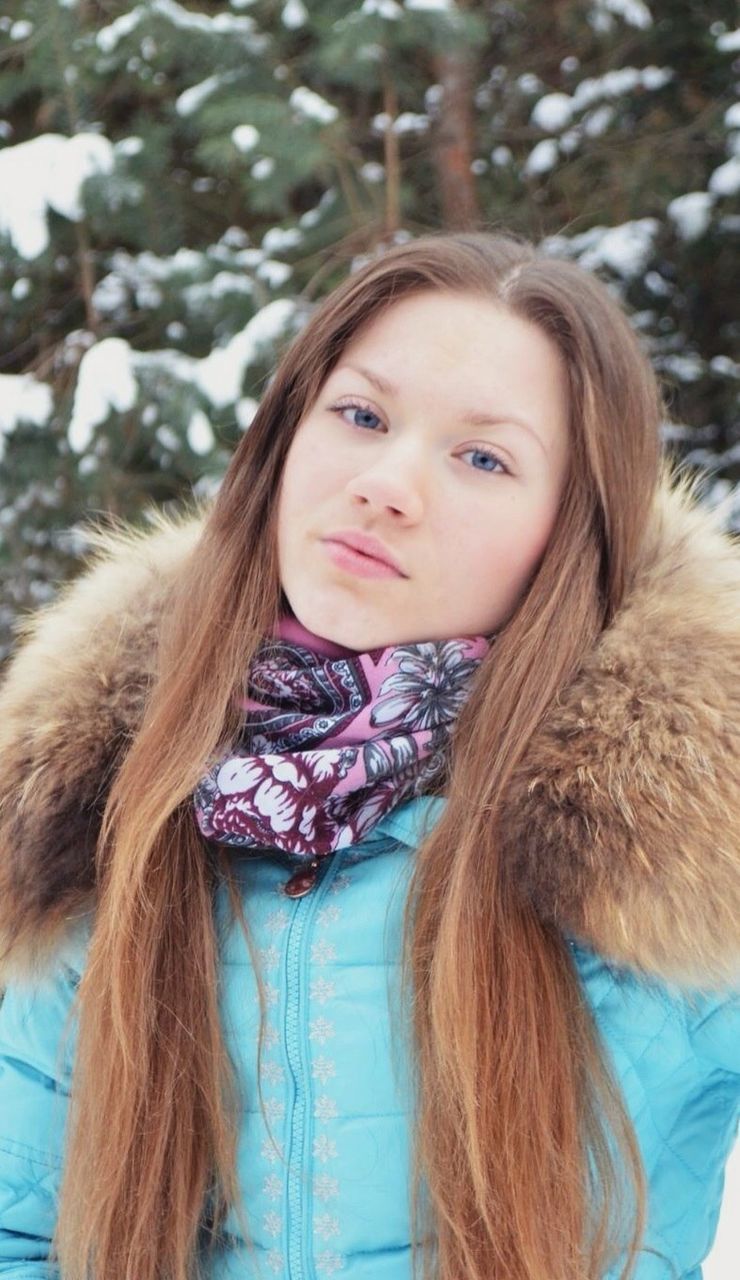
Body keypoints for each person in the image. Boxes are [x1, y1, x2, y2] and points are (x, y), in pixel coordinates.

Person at [0, 229, 737, 1280]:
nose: (388, 483)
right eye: (360, 415)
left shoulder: (676, 844)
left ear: (568, 535)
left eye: (482, 457)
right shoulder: (104, 802)